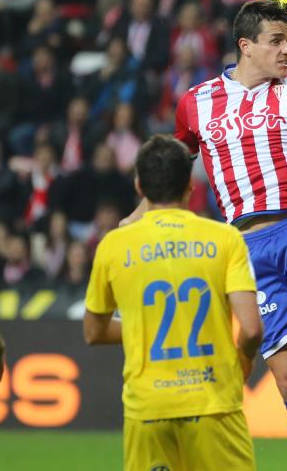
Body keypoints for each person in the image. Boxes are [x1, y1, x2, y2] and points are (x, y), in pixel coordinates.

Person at [123, 0, 287, 470]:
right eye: (277, 41)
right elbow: (170, 163)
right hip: (245, 245)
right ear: (246, 46)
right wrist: (139, 213)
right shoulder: (197, 103)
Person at [83, 135, 262, 470]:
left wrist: (141, 325)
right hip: (213, 404)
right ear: (189, 187)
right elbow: (251, 328)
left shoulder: (113, 245)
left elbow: (93, 332)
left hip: (147, 409)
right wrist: (245, 360)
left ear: (139, 186)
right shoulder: (225, 239)